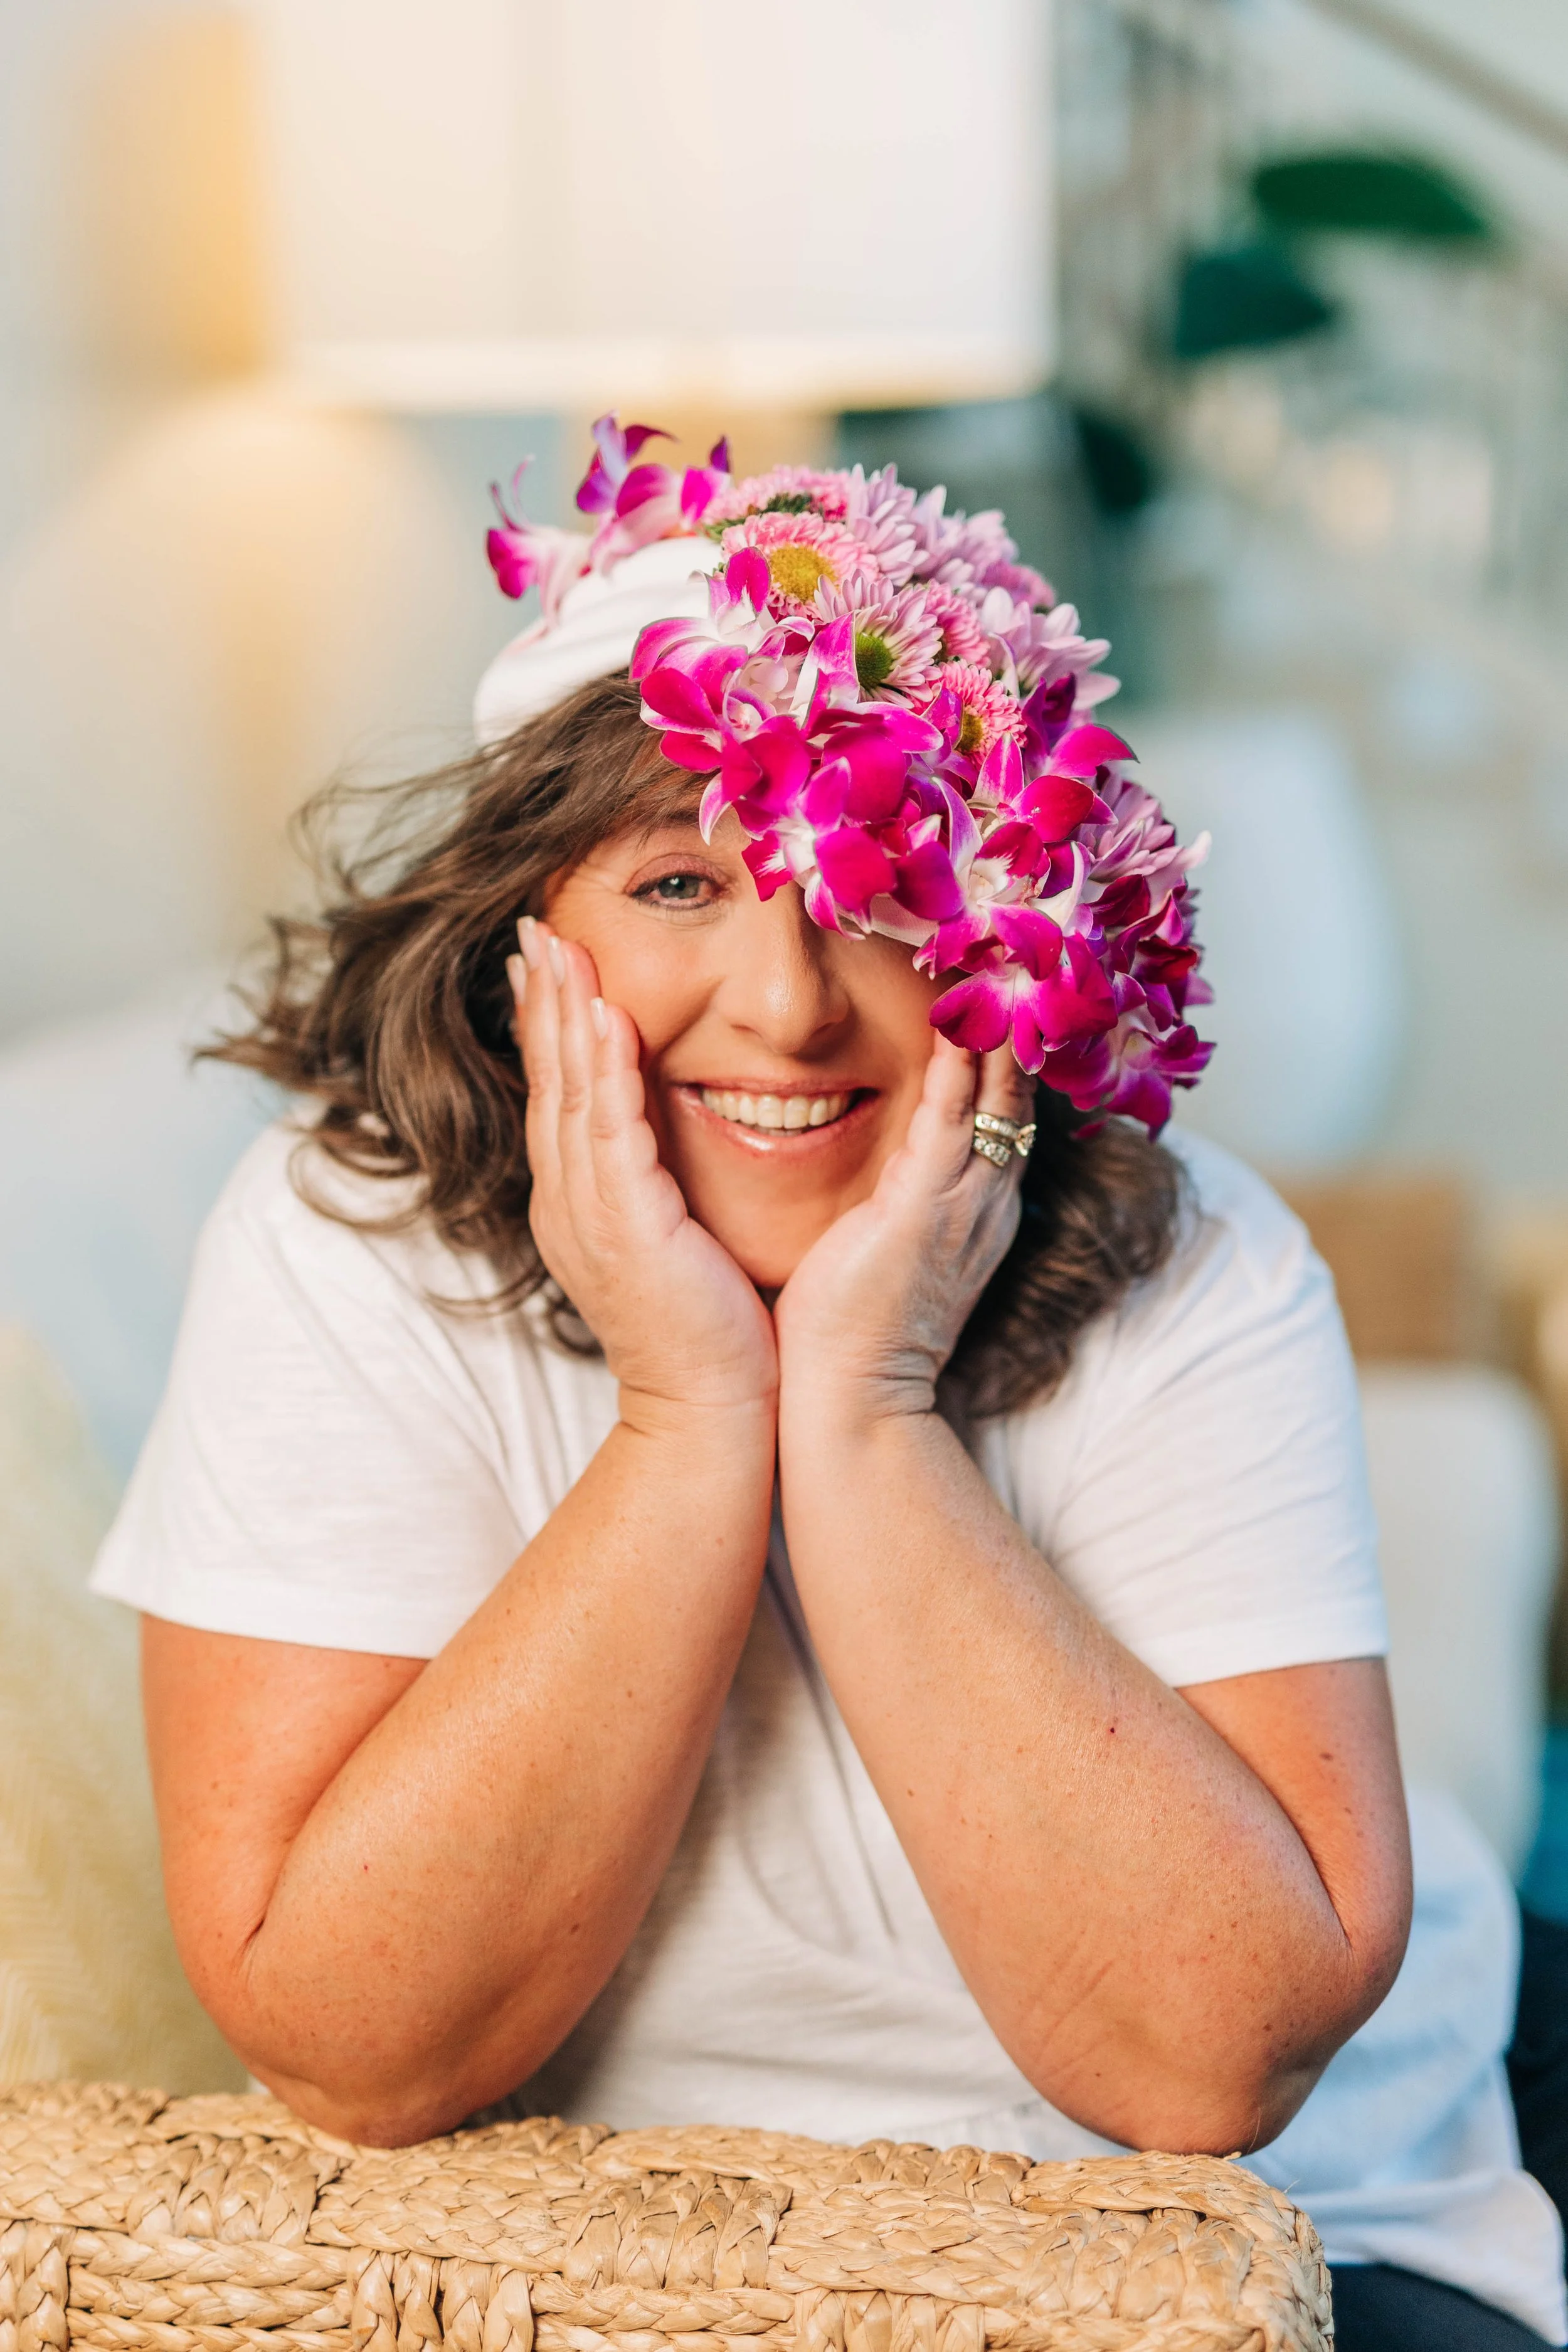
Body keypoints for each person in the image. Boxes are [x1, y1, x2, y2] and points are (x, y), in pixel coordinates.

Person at [92, 426, 1565, 2349]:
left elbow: (1205, 2075)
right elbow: (359, 2055)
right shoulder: (342, 1247)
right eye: (684, 882)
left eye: (877, 882)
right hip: (673, 2272)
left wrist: (861, 1415)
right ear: (532, 930)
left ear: (1001, 933)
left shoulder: (1201, 1262)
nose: (785, 1000)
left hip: (1291, 2250)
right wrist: (689, 1417)